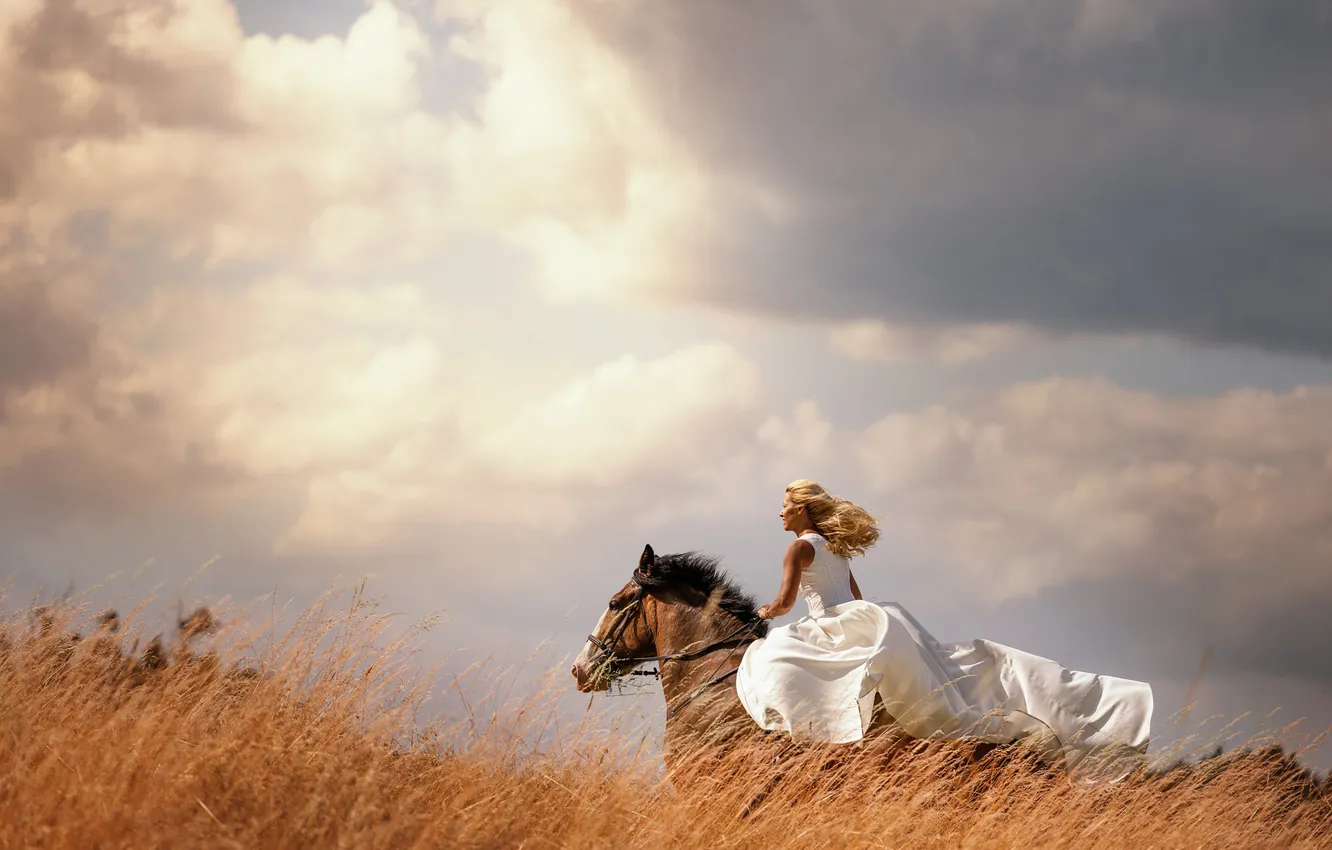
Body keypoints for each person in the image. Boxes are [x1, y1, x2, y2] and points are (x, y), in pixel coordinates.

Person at [735, 479, 1154, 781]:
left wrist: (765, 611)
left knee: (769, 660)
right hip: (858, 618)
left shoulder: (798, 548)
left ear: (802, 510)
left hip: (831, 624)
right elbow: (855, 596)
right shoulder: (835, 549)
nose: (780, 512)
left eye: (785, 506)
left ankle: (803, 742)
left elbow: (786, 603)